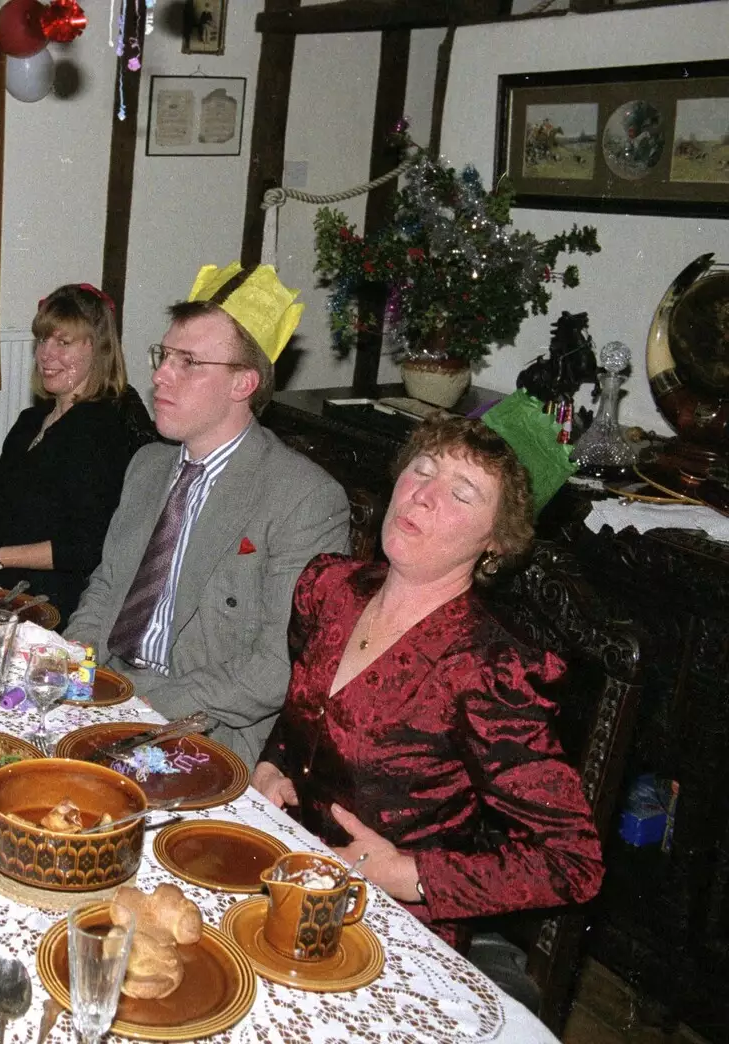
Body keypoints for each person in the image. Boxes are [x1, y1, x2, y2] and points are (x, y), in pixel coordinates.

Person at [251, 393, 602, 947]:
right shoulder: (330, 588)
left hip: (386, 928)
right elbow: (305, 710)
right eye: (422, 469)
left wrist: (410, 875)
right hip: (282, 873)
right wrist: (272, 765)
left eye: (461, 494)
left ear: (496, 542)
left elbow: (571, 862)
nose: (423, 496)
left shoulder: (487, 669)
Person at [65, 262, 349, 766]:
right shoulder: (149, 465)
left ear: (243, 383)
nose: (159, 375)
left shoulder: (303, 499)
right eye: (164, 355)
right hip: (107, 689)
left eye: (188, 362)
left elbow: (275, 668)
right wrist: (70, 664)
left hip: (200, 727)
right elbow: (108, 585)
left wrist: (145, 707)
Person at [0, 283, 154, 623]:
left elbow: (87, 546)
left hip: (52, 596)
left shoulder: (101, 429)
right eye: (42, 340)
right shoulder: (32, 420)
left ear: (98, 349)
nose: (46, 354)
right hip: (3, 577)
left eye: (63, 343)